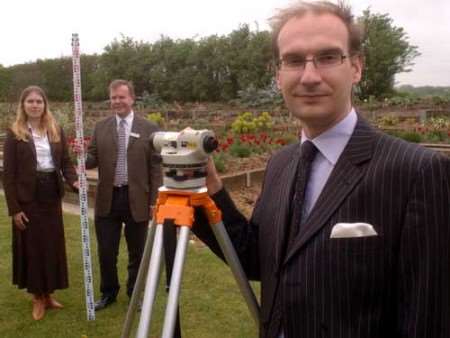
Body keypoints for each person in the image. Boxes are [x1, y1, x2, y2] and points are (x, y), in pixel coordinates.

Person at [193, 2, 450, 338]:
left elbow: (427, 318)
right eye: (294, 60)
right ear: (278, 74)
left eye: (328, 57)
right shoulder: (281, 164)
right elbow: (259, 260)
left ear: (356, 67)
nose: (309, 76)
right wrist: (210, 189)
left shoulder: (418, 172)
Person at [3, 85, 79, 320]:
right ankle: (37, 297)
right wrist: (15, 209)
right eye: (30, 101)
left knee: (51, 246)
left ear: (45, 105)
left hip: (51, 195)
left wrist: (74, 181)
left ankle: (48, 294)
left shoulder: (55, 130)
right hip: (28, 198)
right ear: (23, 105)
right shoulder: (14, 133)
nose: (35, 105)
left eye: (39, 101)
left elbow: (65, 161)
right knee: (34, 248)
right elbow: (9, 175)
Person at [86, 79, 162, 311]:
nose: (117, 101)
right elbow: (92, 158)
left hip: (137, 199)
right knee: (106, 251)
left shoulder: (150, 129)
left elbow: (156, 168)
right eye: (114, 97)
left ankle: (135, 293)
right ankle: (108, 292)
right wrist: (80, 154)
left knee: (137, 252)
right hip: (108, 199)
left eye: (122, 97)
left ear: (132, 99)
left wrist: (154, 201)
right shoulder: (101, 127)